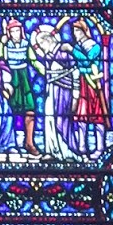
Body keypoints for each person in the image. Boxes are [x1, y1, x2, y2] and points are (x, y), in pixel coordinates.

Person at [32, 24, 77, 160]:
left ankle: (68, 152)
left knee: (62, 120)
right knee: (49, 119)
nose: (40, 47)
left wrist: (75, 94)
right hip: (51, 91)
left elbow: (75, 71)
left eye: (41, 43)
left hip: (64, 91)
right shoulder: (49, 56)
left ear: (48, 40)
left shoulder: (64, 53)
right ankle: (52, 151)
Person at [69, 19, 110, 157]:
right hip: (81, 83)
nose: (75, 34)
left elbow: (88, 60)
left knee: (97, 116)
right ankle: (81, 147)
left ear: (85, 31)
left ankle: (99, 148)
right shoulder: (79, 46)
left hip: (93, 84)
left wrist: (72, 50)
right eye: (74, 31)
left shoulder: (95, 47)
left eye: (77, 30)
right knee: (81, 115)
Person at [1, 19, 40, 156]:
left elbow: (34, 60)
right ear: (9, 33)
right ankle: (7, 143)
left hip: (24, 79)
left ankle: (29, 143)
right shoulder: (5, 46)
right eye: (12, 31)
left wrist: (45, 71)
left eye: (17, 30)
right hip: (10, 79)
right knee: (9, 110)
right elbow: (0, 61)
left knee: (30, 110)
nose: (15, 34)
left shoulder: (26, 44)